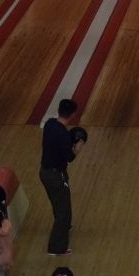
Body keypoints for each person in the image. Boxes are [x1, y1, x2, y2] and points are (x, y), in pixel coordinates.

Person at [40, 99, 84, 256]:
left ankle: (64, 227)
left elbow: (56, 144)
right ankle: (56, 248)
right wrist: (78, 147)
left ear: (58, 110)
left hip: (45, 172)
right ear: (73, 114)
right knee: (64, 211)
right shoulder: (64, 135)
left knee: (58, 204)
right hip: (56, 176)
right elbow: (69, 157)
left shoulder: (50, 124)